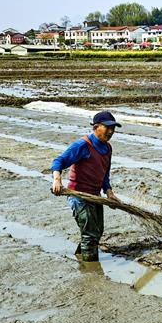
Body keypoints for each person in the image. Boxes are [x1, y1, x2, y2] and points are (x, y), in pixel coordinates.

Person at [51, 110, 120, 261]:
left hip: (95, 196)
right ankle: (90, 269)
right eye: (107, 127)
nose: (110, 131)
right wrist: (57, 179)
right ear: (96, 127)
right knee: (90, 234)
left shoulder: (108, 148)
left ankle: (81, 257)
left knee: (97, 231)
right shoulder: (83, 145)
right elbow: (59, 161)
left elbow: (104, 174)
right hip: (79, 196)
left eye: (113, 128)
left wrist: (109, 193)